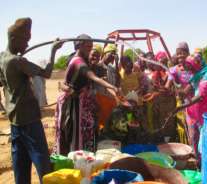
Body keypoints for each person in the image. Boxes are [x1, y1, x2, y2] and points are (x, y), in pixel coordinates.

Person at [0, 17, 63, 184]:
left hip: (15, 121)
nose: (27, 45)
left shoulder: (2, 58)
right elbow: (47, 73)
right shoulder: (18, 61)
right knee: (43, 164)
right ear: (14, 39)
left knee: (20, 166)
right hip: (30, 121)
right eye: (25, 41)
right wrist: (53, 50)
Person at [55, 34, 119, 155]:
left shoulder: (86, 62)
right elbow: (93, 77)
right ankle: (76, 161)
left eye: (91, 47)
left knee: (84, 134)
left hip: (82, 105)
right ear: (79, 45)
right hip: (74, 106)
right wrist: (113, 87)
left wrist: (114, 92)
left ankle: (83, 159)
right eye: (88, 47)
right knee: (75, 136)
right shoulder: (78, 61)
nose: (90, 50)